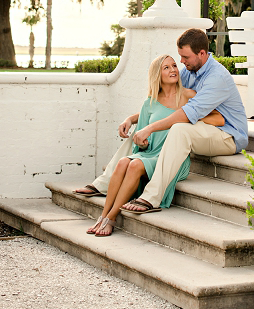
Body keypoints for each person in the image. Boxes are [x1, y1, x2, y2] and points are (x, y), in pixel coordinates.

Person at [86, 54, 224, 236]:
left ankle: (111, 217)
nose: (173, 70)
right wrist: (142, 144)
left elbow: (218, 118)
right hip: (149, 154)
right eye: (166, 68)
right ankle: (102, 216)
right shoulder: (149, 103)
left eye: (174, 65)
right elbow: (140, 142)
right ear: (157, 74)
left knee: (135, 164)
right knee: (123, 163)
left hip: (172, 158)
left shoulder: (188, 96)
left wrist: (189, 116)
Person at [118, 28, 248, 214]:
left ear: (202, 54)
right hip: (205, 128)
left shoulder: (217, 77)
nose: (181, 62)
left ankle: (152, 197)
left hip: (228, 135)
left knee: (179, 129)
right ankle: (111, 178)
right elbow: (167, 104)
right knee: (166, 125)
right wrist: (132, 119)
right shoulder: (190, 71)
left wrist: (149, 129)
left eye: (185, 57)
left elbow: (187, 113)